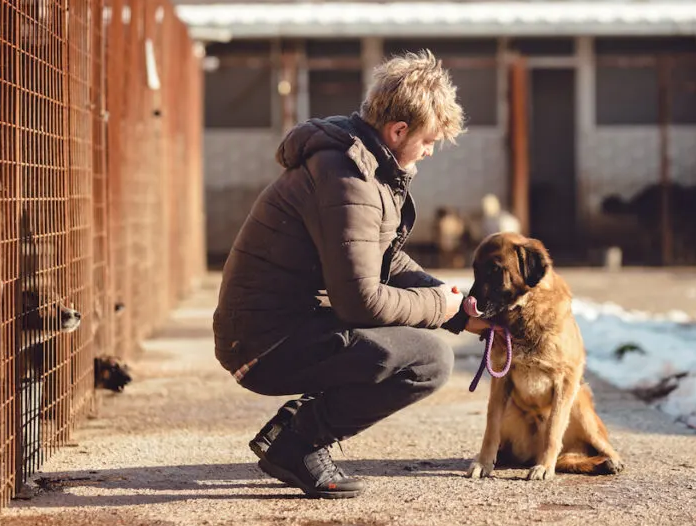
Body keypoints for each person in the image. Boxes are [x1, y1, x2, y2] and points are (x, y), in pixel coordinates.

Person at [212, 50, 494, 499]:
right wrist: (439, 310)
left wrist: (454, 307)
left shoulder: (362, 165)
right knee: (427, 360)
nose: (430, 150)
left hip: (279, 329)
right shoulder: (349, 179)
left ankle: (295, 433)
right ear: (397, 130)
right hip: (265, 344)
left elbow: (385, 260)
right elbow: (361, 301)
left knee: (421, 346)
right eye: (428, 139)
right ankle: (299, 442)